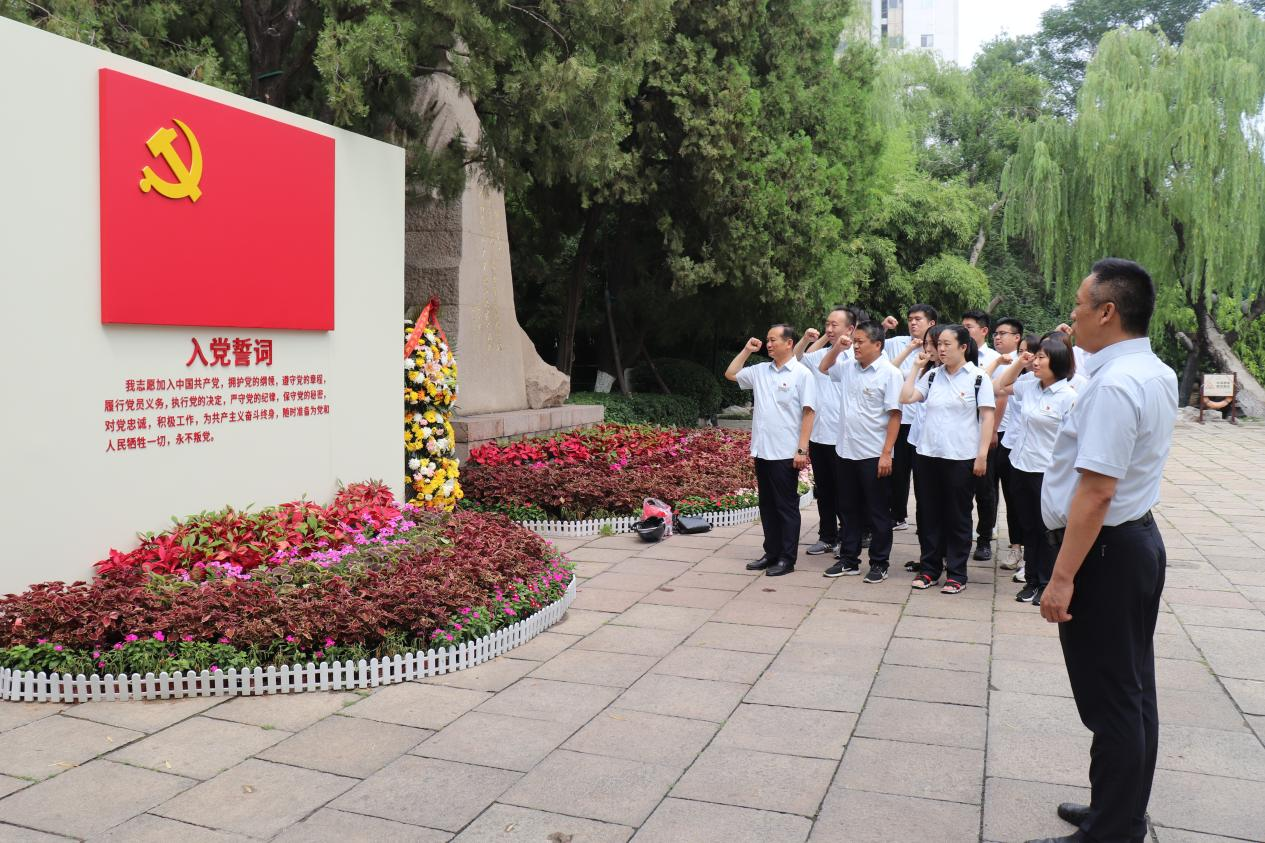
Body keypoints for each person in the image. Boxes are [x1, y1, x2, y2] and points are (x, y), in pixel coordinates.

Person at [1027, 259, 1178, 843]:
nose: (1072, 315)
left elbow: (1096, 492)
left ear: (1108, 312)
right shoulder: (1150, 370)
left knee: (1113, 699)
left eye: (1079, 304)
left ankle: (1113, 830)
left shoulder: (1116, 384)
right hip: (1131, 542)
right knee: (1131, 691)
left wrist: (1061, 577)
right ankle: (1115, 810)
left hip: (1105, 553)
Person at [900, 325, 996, 594]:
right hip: (928, 455)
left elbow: (987, 417)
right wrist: (916, 368)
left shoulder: (978, 378)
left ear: (963, 347)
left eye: (946, 344)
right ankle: (930, 569)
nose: (940, 349)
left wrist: (982, 456)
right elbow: (906, 397)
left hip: (961, 457)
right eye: (938, 344)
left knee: (958, 516)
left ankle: (957, 573)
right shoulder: (932, 376)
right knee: (929, 514)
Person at [726, 326, 817, 578]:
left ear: (789, 343)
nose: (768, 344)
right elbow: (731, 373)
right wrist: (747, 350)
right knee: (767, 506)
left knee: (786, 507)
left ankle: (787, 558)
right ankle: (771, 553)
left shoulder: (802, 374)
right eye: (767, 340)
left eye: (773, 340)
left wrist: (802, 449)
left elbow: (809, 412)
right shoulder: (760, 371)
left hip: (786, 452)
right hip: (762, 450)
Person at [995, 333, 1078, 606]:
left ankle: (1046, 582)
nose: (1036, 362)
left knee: (1047, 530)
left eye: (1042, 357)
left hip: (1047, 472)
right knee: (1028, 526)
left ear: (1058, 362)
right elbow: (1000, 384)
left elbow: (1074, 441)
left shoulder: (1068, 397)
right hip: (1020, 465)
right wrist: (1020, 362)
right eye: (1036, 357)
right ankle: (1031, 580)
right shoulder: (1029, 385)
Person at [819, 320, 903, 581]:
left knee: (877, 512)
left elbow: (895, 415)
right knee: (848, 509)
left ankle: (879, 563)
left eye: (860, 342)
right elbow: (823, 367)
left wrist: (887, 453)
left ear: (877, 344)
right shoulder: (848, 367)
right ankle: (849, 559)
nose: (855, 346)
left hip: (873, 454)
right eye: (854, 341)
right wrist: (837, 347)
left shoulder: (890, 374)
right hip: (846, 451)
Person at [795, 307, 859, 556]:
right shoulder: (819, 355)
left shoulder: (857, 358)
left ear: (850, 329)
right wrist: (806, 339)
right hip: (819, 434)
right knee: (824, 490)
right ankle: (827, 536)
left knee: (846, 491)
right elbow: (795, 359)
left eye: (835, 325)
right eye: (827, 324)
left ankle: (849, 536)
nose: (830, 329)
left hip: (845, 436)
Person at [880, 304, 939, 530]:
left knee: (924, 475)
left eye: (918, 319)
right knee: (898, 470)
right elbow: (884, 368)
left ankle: (926, 521)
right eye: (910, 319)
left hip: (924, 423)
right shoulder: (898, 343)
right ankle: (897, 515)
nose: (913, 323)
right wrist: (906, 347)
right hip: (901, 419)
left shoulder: (938, 349)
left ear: (931, 323)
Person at [961, 309, 1000, 561]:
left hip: (984, 433)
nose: (964, 330)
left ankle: (984, 538)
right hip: (960, 436)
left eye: (969, 327)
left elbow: (1001, 395)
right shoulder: (956, 357)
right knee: (960, 492)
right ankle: (960, 539)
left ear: (984, 330)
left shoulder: (996, 358)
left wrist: (993, 430)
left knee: (985, 491)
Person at [989, 317, 1026, 571]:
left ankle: (1028, 550)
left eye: (1003, 333)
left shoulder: (1035, 374)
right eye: (996, 333)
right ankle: (1014, 546)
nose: (997, 337)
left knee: (1022, 499)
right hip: (1006, 439)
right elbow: (996, 389)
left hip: (1027, 445)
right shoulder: (1005, 365)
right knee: (1005, 495)